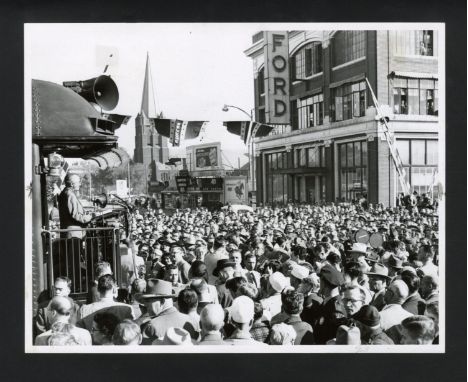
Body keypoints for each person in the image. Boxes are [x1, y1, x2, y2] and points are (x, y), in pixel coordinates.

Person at [137, 279, 198, 344]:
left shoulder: (152, 326)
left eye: (148, 301)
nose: (145, 305)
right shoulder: (191, 321)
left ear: (162, 301)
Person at [314, 264, 346, 344]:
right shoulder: (328, 301)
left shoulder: (336, 309)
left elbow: (333, 337)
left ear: (324, 284)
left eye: (320, 280)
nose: (318, 283)